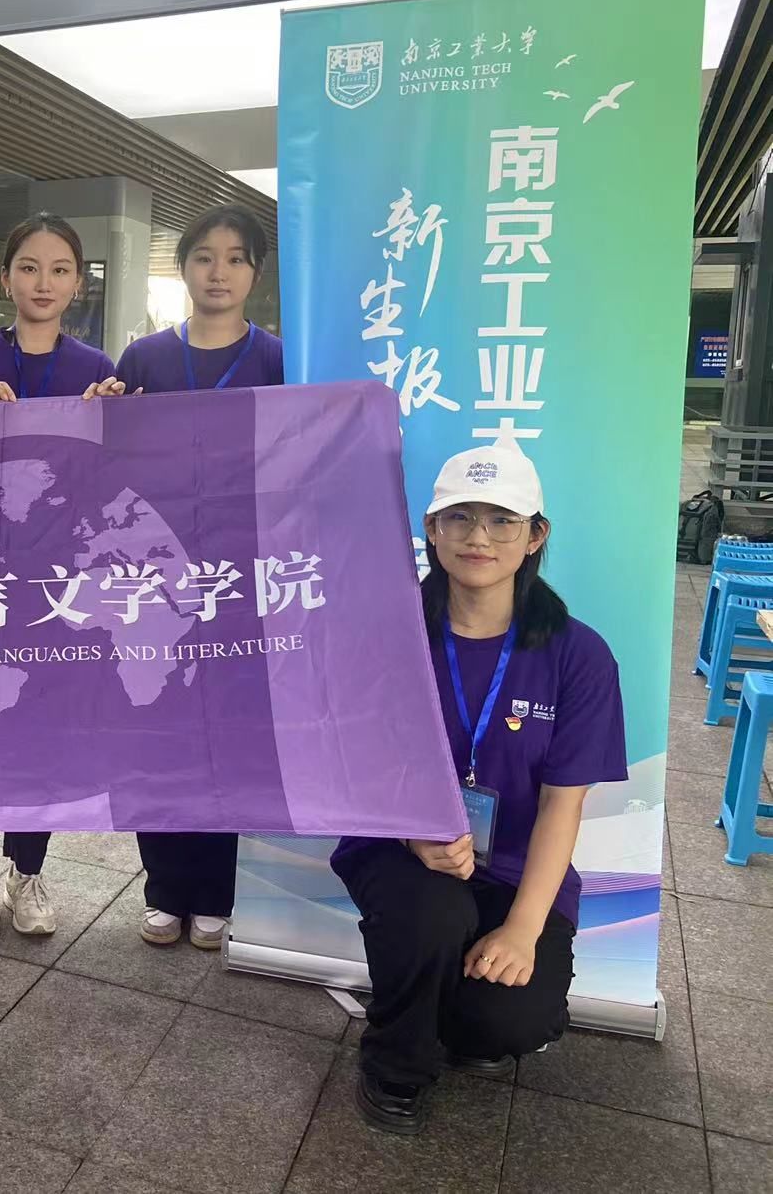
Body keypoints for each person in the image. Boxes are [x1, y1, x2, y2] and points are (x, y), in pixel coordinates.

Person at [334, 438, 626, 1135]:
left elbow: (563, 804)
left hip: (517, 867)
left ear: (535, 536)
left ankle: (446, 1007)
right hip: (399, 848)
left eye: (502, 520)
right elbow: (352, 762)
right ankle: (394, 1065)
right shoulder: (387, 633)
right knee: (430, 919)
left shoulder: (579, 655)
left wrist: (524, 930)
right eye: (459, 517)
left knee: (510, 1021)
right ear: (431, 530)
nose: (479, 538)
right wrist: (413, 833)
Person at [0, 213, 126, 940]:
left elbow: (108, 484)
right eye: (30, 267)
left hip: (54, 580)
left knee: (42, 721)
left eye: (60, 269)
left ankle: (28, 869)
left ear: (77, 284)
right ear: (5, 278)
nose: (44, 282)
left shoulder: (95, 369)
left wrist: (111, 424)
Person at [115, 203, 283, 951]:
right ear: (182, 267)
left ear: (256, 273)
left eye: (236, 258)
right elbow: (113, 462)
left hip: (240, 575)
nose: (220, 272)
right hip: (154, 576)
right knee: (155, 723)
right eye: (205, 257)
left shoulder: (280, 359)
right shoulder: (144, 359)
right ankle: (165, 888)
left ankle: (215, 891)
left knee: (227, 734)